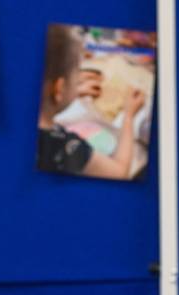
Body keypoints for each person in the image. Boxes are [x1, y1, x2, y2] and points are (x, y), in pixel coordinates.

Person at [37, 24, 146, 180]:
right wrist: (129, 114)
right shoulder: (62, 146)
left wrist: (73, 90)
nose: (79, 79)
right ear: (58, 89)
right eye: (77, 75)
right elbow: (120, 171)